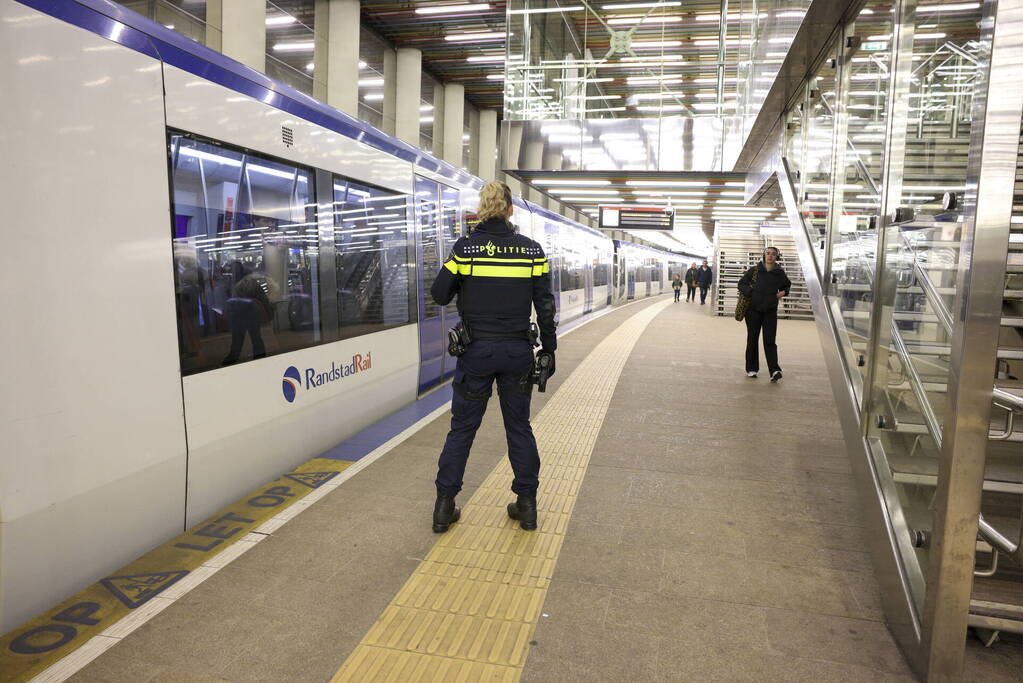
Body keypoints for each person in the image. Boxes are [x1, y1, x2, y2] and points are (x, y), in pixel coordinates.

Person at [429, 181, 557, 533]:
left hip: (476, 353)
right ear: (510, 210)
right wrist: (549, 348)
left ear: (481, 211)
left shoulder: (466, 250)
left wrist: (457, 268)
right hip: (517, 351)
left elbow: (439, 294)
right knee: (519, 427)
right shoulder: (532, 252)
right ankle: (527, 505)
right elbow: (545, 306)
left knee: (462, 429)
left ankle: (444, 506)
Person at [738, 246, 791, 382]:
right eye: (768, 253)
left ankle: (774, 370)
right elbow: (741, 284)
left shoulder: (779, 273)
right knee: (752, 339)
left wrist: (783, 292)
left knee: (770, 341)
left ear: (776, 257)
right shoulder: (754, 270)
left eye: (773, 254)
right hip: (753, 311)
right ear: (764, 255)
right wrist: (751, 293)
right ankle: (751, 369)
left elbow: (787, 285)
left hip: (770, 311)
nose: (770, 256)